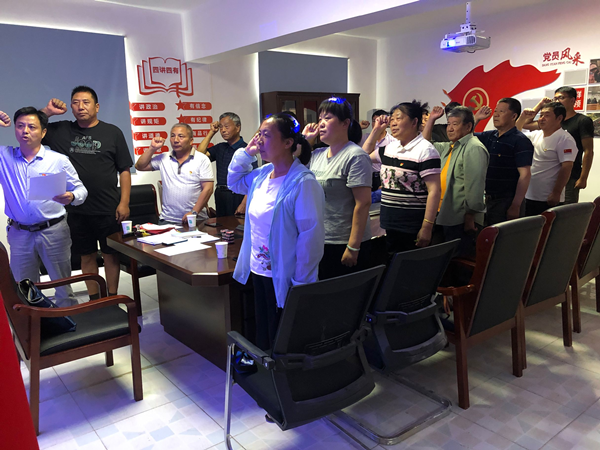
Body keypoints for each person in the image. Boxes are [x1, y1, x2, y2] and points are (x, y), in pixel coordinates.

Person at [228, 113, 325, 351]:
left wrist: (300, 283)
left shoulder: (303, 182)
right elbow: (234, 182)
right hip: (258, 268)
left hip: (285, 274)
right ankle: (264, 369)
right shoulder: (262, 175)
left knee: (283, 335)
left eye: (267, 135)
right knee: (264, 330)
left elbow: (310, 237)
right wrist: (247, 153)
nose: (259, 140)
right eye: (259, 134)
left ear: (288, 142)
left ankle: (281, 371)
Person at [40, 87, 133, 300]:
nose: (80, 107)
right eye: (75, 102)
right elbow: (34, 125)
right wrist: (48, 111)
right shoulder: (61, 131)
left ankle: (111, 298)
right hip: (77, 209)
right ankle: (94, 300)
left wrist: (124, 202)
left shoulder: (112, 132)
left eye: (86, 102)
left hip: (108, 208)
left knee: (110, 254)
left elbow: (124, 170)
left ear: (97, 106)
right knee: (86, 255)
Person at [0, 108, 87, 299]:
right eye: (20, 126)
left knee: (63, 288)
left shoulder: (58, 160)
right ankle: (35, 319)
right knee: (24, 290)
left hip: (53, 231)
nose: (25, 131)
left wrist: (72, 196)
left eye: (32, 127)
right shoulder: (4, 157)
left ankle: (67, 316)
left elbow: (81, 190)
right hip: (20, 233)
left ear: (43, 132)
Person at [308, 97, 373, 280]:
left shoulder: (356, 156)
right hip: (321, 238)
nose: (321, 123)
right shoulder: (317, 154)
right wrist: (307, 141)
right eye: (320, 118)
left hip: (344, 241)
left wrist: (353, 247)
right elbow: (291, 169)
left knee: (343, 293)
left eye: (327, 118)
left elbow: (363, 203)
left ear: (345, 123)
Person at [373, 100, 441, 254]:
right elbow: (363, 155)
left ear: (414, 122)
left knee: (409, 265)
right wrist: (376, 130)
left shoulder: (426, 150)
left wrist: (427, 226)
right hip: (390, 222)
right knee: (391, 263)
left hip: (412, 225)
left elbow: (434, 191)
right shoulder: (390, 147)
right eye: (392, 119)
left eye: (398, 118)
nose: (393, 123)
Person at [424, 106, 489, 258]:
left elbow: (475, 187)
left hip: (460, 219)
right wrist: (431, 119)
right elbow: (426, 145)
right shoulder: (450, 146)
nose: (450, 128)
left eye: (455, 124)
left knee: (458, 261)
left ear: (468, 126)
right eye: (448, 124)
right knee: (442, 260)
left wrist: (470, 217)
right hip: (444, 214)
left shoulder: (474, 147)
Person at [523, 87, 594, 204]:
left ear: (572, 100)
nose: (557, 101)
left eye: (561, 97)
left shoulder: (582, 120)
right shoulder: (550, 120)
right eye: (555, 98)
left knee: (564, 210)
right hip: (548, 175)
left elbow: (588, 151)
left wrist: (583, 177)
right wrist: (540, 105)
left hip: (571, 174)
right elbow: (525, 124)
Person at [134, 123, 214, 224]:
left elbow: (208, 189)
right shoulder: (164, 158)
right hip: (168, 220)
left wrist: (194, 212)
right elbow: (140, 166)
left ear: (191, 141)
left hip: (195, 219)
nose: (176, 140)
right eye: (172, 136)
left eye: (181, 136)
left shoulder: (202, 159)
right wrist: (152, 148)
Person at [473, 98, 533, 225]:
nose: (496, 115)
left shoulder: (520, 141)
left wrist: (516, 205)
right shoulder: (489, 136)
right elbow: (465, 136)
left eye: (501, 111)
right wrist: (477, 118)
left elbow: (525, 174)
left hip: (507, 201)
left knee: (506, 236)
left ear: (514, 116)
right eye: (495, 111)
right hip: (488, 200)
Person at [517, 102, 578, 216]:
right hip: (529, 194)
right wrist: (522, 118)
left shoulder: (565, 139)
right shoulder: (536, 135)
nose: (542, 118)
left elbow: (567, 167)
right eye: (541, 115)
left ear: (559, 118)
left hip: (547, 197)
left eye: (547, 115)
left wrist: (556, 193)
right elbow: (515, 135)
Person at [197, 112, 253, 217]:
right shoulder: (220, 147)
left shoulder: (246, 150)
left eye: (226, 127)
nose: (223, 130)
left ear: (237, 127)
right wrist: (212, 132)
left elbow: (253, 180)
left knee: (237, 225)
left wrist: (244, 203)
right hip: (220, 194)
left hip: (238, 195)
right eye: (221, 127)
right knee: (221, 225)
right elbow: (200, 155)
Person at [362, 109, 394, 191]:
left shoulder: (392, 140)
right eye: (374, 121)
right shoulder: (364, 137)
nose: (376, 124)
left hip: (383, 176)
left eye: (379, 121)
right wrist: (359, 127)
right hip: (366, 176)